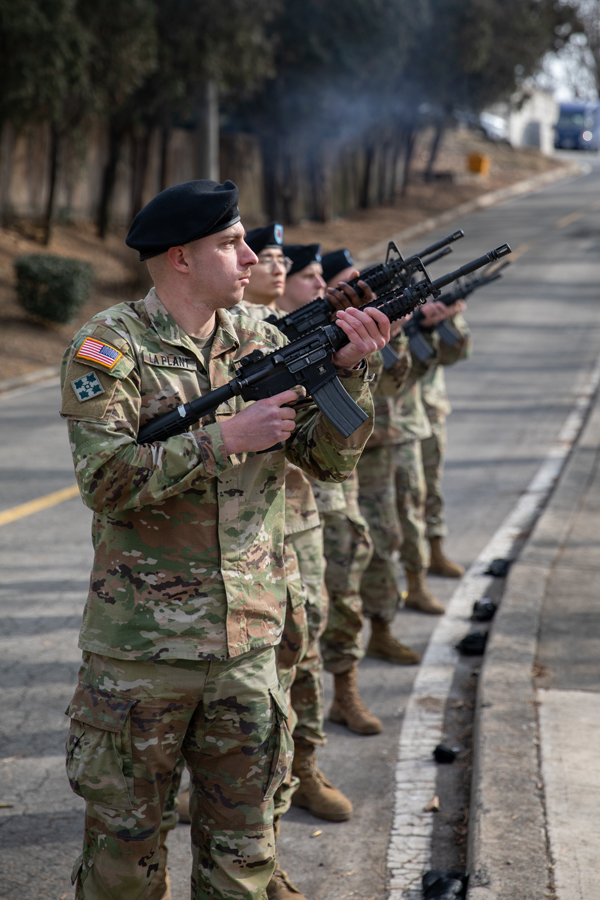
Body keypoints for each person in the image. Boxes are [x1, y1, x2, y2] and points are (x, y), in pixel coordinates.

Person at [60, 180, 390, 900]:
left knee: (243, 861)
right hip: (141, 657)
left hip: (247, 647)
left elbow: (328, 463)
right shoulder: (108, 348)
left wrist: (353, 374)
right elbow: (106, 481)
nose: (249, 257)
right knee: (124, 863)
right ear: (179, 258)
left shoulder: (261, 338)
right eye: (229, 244)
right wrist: (223, 439)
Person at [420, 305, 471, 578]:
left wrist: (450, 320)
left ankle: (435, 549)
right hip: (388, 420)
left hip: (429, 410)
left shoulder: (428, 304)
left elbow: (456, 353)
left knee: (431, 487)